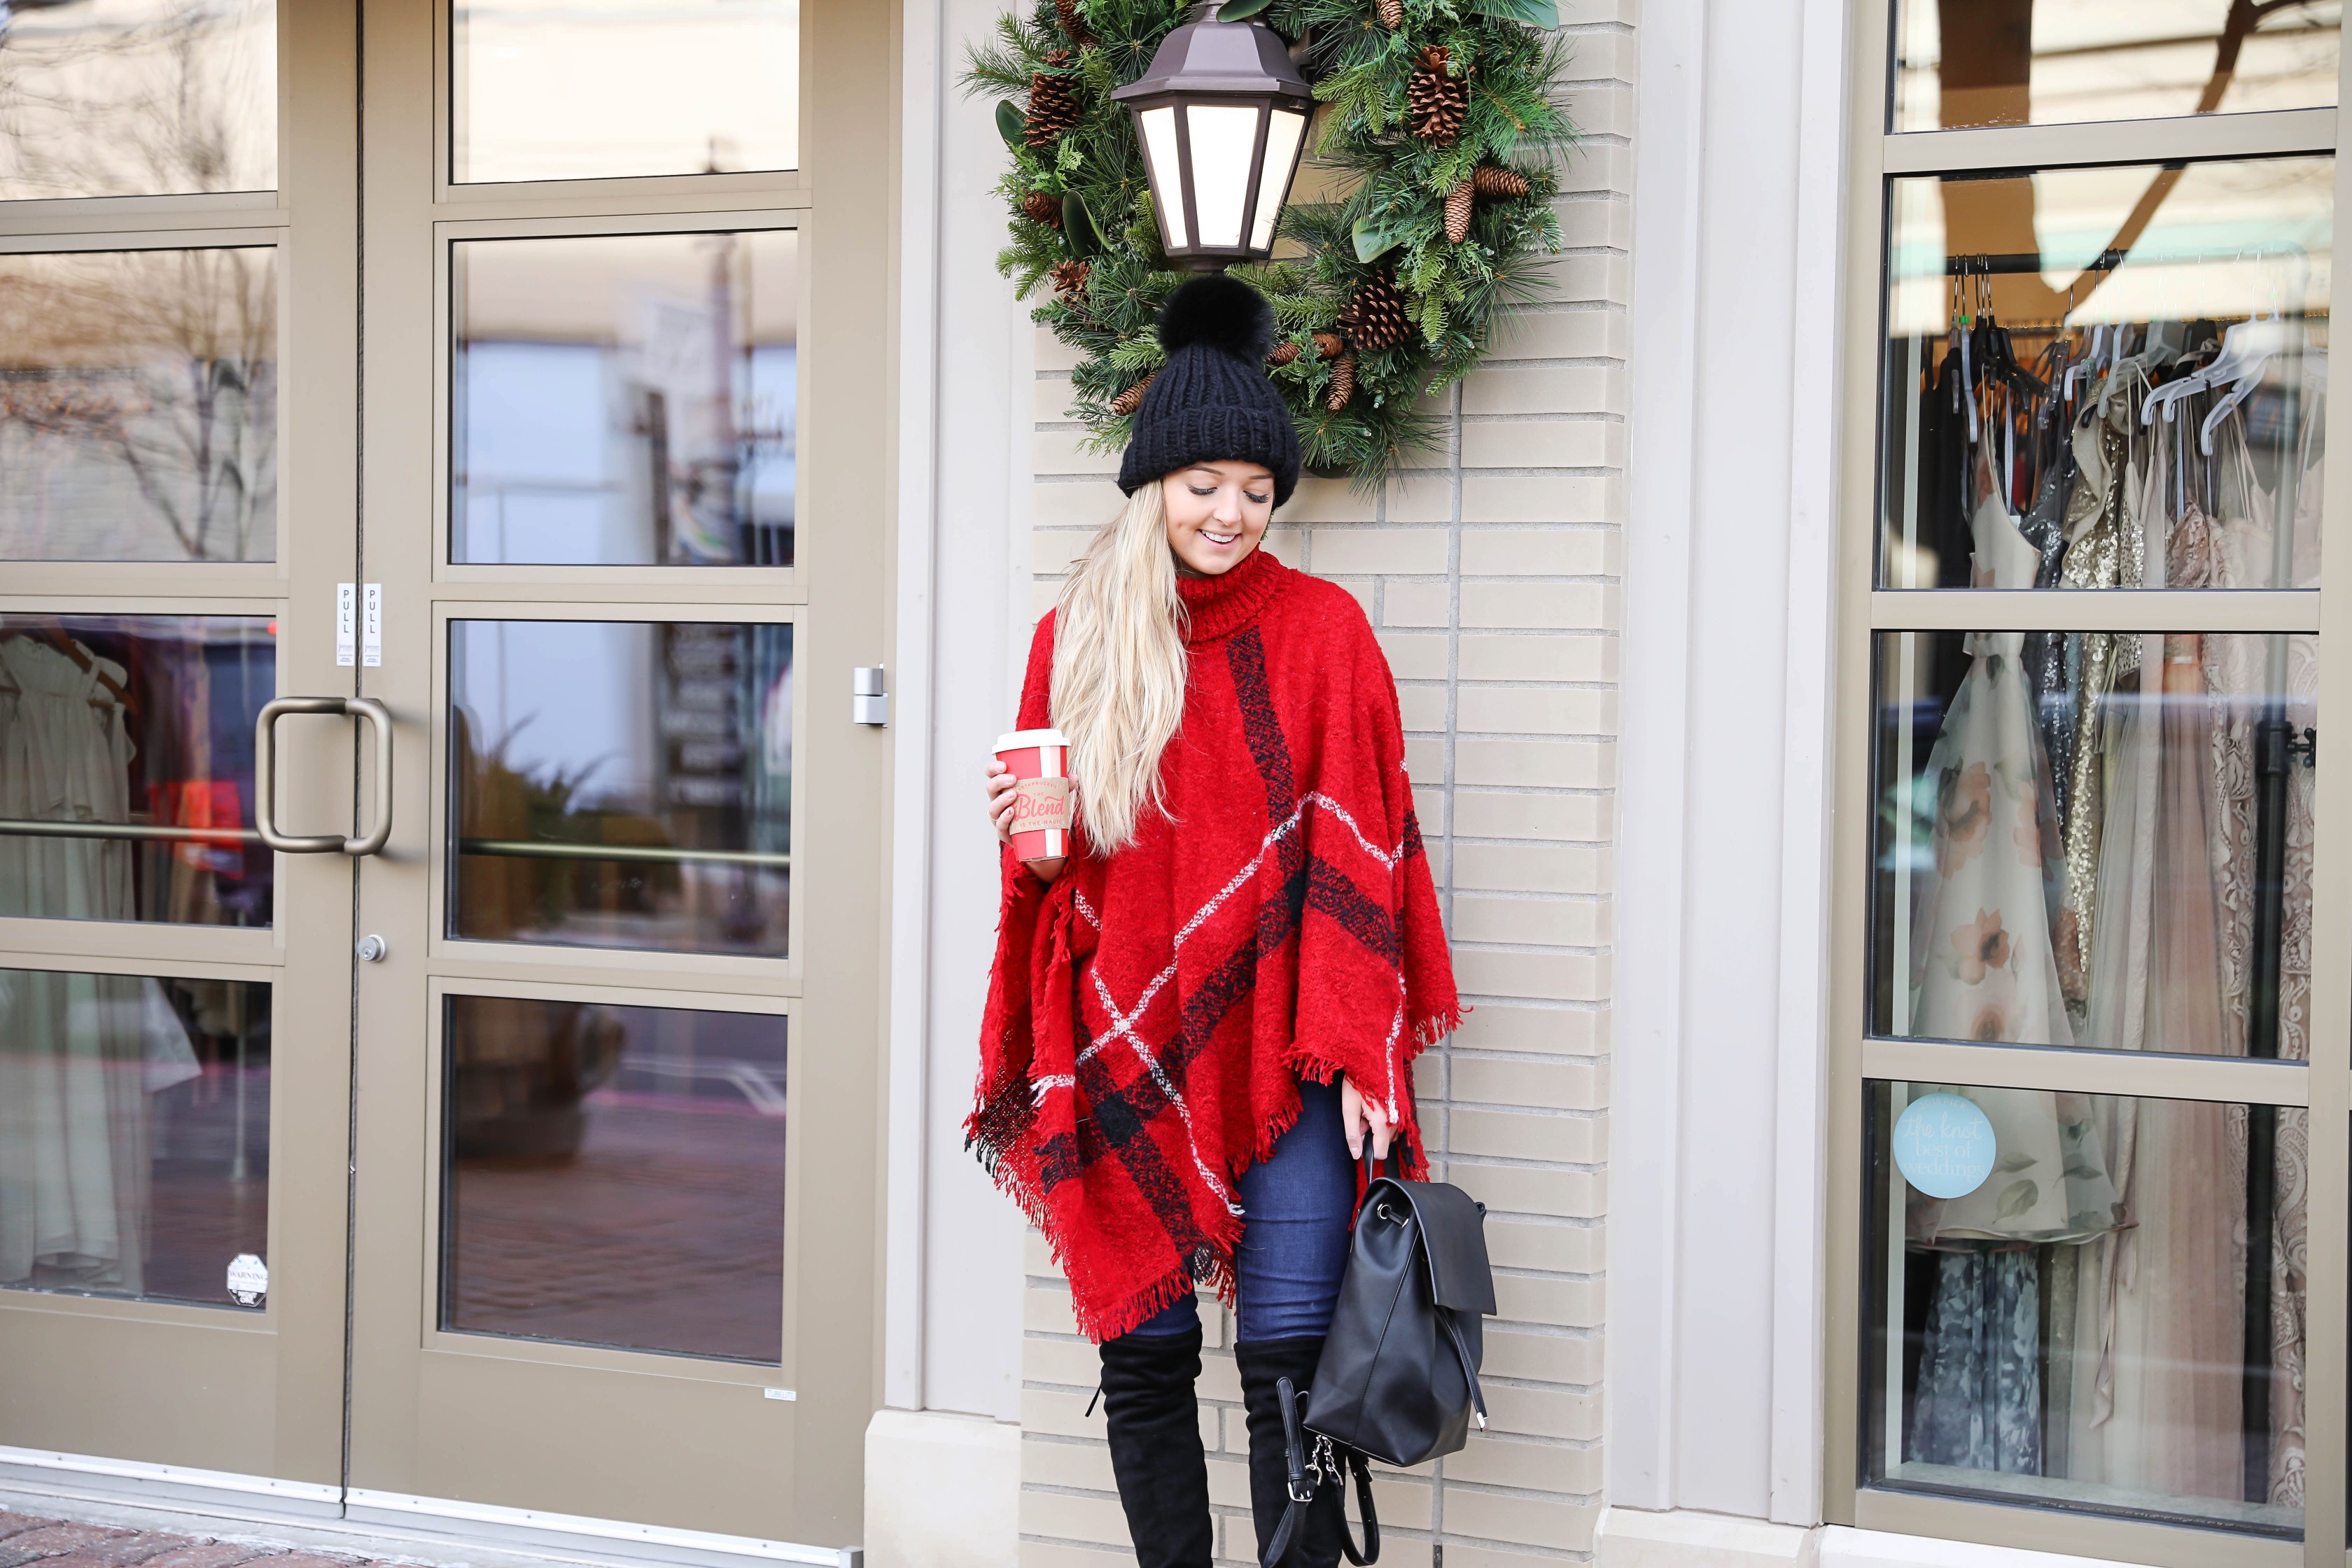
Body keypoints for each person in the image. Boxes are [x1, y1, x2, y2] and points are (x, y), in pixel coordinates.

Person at [970, 274, 1460, 1568]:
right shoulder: (1076, 639)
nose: (1232, 513)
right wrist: (1036, 830)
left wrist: (1362, 1043)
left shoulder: (1327, 635)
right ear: (1153, 489)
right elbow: (1049, 879)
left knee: (1290, 1365)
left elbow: (1368, 851)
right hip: (1125, 1033)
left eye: (1256, 487)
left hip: (1290, 1057)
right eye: (1204, 486)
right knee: (1146, 1356)